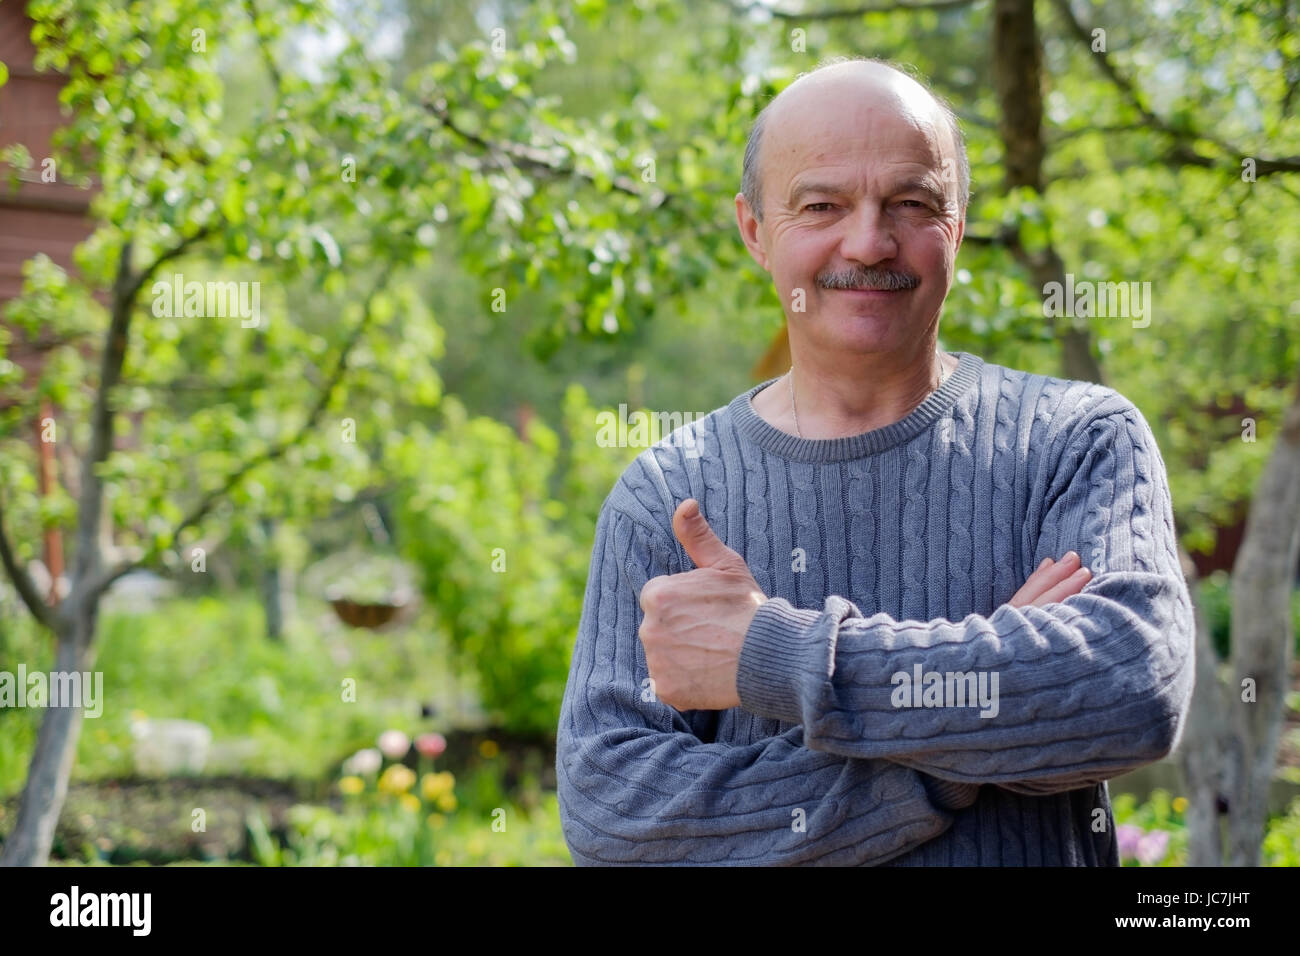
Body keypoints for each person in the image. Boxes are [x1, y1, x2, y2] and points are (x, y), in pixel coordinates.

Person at [555, 56, 1194, 865]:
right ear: (754, 230)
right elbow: (617, 819)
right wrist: (953, 754)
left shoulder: (1079, 439)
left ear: (956, 227)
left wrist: (773, 656)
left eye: (911, 202)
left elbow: (1129, 694)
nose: (868, 240)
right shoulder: (668, 495)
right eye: (821, 204)